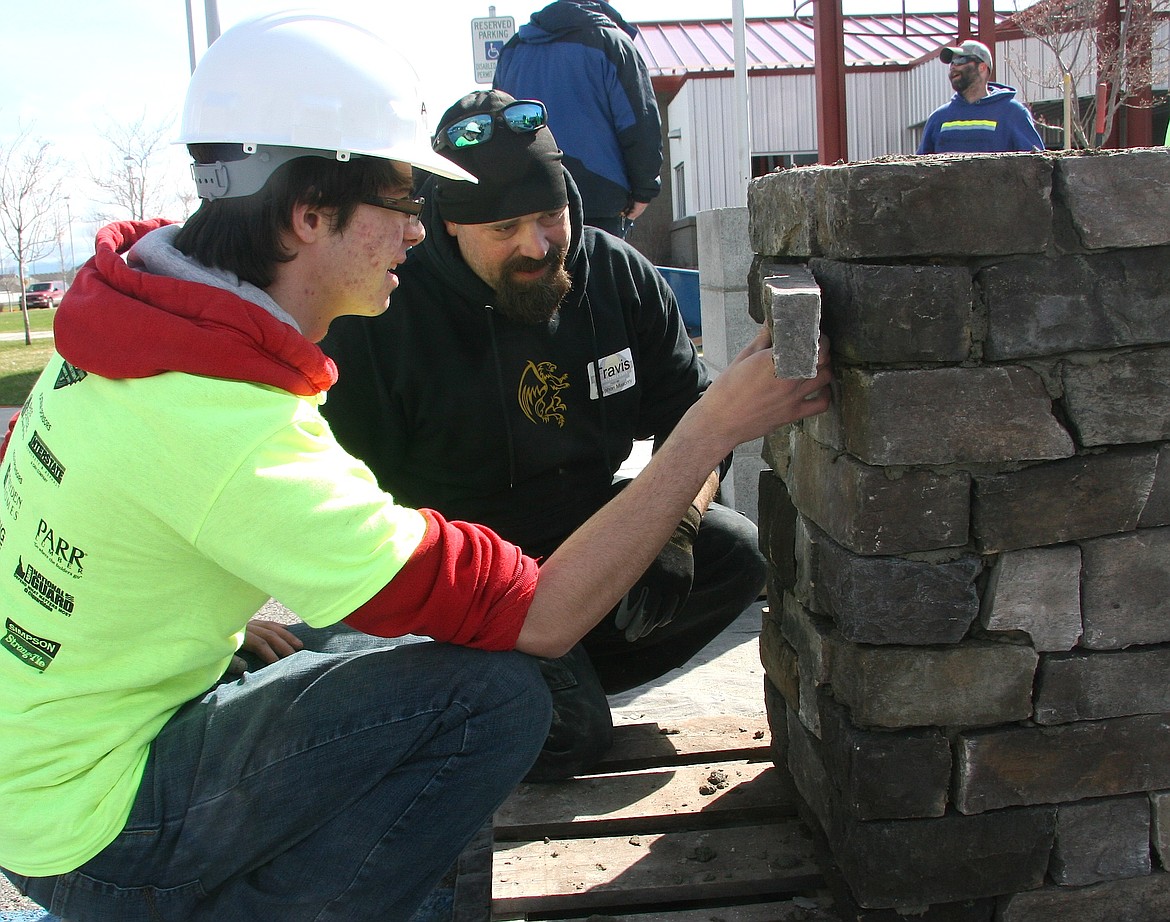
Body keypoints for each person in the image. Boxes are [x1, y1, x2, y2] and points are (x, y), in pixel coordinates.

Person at [0, 13, 831, 922]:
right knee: (490, 698)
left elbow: (70, 492)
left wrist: (202, 625)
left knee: (666, 584)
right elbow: (540, 619)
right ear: (308, 213)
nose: (416, 232)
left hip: (48, 776)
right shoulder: (232, 418)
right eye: (403, 202)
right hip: (101, 833)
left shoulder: (133, 326)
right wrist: (714, 427)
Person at [320, 89, 771, 783]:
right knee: (569, 738)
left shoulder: (617, 275)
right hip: (455, 577)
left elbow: (698, 417)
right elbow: (345, 516)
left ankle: (545, 682)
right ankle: (468, 688)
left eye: (550, 217)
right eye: (505, 230)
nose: (537, 245)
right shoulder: (383, 314)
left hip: (585, 542)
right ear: (450, 228)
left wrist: (677, 521)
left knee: (733, 554)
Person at [493, 0, 661, 237]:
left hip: (527, 199)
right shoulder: (613, 43)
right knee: (599, 271)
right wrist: (644, 191)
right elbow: (639, 125)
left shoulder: (513, 48)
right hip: (599, 200)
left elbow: (499, 124)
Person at [917, 39, 1046, 154]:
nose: (953, 66)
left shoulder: (1012, 113)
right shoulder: (939, 118)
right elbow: (919, 173)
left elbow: (1036, 167)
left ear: (982, 67)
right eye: (952, 62)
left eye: (960, 60)